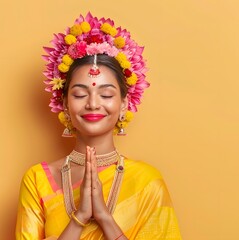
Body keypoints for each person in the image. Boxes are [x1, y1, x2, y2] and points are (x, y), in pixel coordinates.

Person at [15, 13, 182, 240]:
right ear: (64, 103)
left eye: (105, 94)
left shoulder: (147, 183)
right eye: (80, 93)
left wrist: (104, 217)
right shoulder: (38, 180)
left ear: (124, 104)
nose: (93, 103)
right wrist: (80, 217)